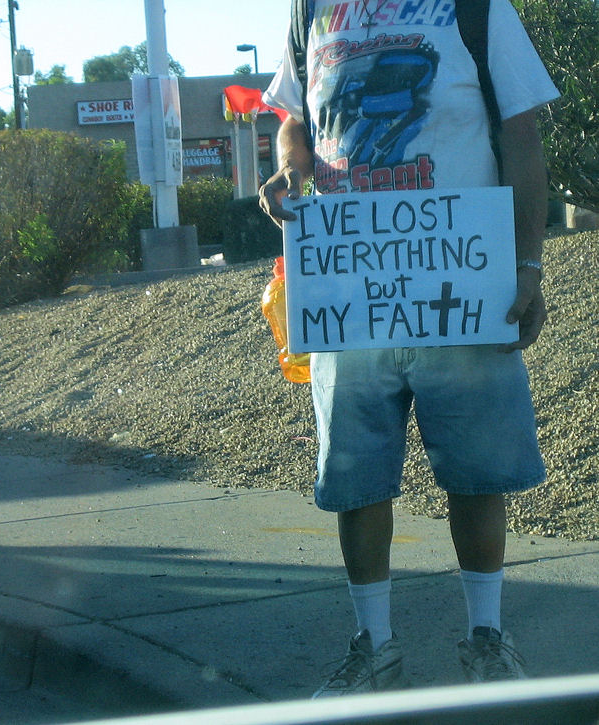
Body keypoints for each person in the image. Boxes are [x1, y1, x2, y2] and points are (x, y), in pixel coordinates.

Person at [259, 0, 559, 696]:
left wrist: (528, 264)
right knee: (356, 478)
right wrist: (288, 168)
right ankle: (374, 648)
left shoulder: (476, 7)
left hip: (464, 281)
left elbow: (521, 136)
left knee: (478, 472)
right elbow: (295, 121)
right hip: (349, 290)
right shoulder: (311, 11)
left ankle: (487, 639)